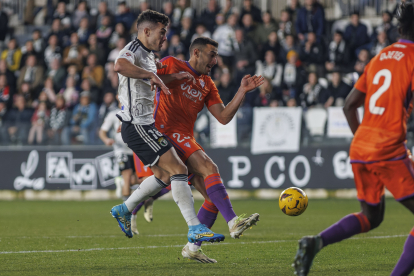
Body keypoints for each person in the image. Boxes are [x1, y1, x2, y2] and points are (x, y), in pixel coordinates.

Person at [293, 3, 414, 275]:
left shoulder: (379, 58)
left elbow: (349, 105)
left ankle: (317, 241)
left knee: (372, 217)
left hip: (361, 147)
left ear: (398, 29)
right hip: (388, 146)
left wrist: (364, 139)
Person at [109, 10, 225, 244]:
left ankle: (125, 208)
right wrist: (150, 75)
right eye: (162, 33)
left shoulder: (149, 55)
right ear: (147, 31)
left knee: (163, 175)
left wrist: (176, 77)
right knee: (179, 170)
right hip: (137, 125)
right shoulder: (132, 50)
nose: (165, 38)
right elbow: (119, 66)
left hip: (144, 125)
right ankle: (195, 228)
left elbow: (155, 78)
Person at [155, 37, 264, 262]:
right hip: (164, 132)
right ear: (196, 53)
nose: (215, 60)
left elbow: (223, 117)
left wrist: (242, 91)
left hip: (184, 137)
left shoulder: (207, 83)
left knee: (213, 199)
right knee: (209, 166)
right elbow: (148, 80)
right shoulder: (171, 63)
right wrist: (174, 78)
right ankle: (234, 222)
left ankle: (192, 249)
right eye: (212, 54)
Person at [99, 98, 139, 201]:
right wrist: (106, 139)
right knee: (127, 174)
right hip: (121, 149)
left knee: (136, 179)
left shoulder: (135, 113)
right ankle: (127, 208)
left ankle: (121, 183)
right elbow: (102, 131)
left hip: (134, 149)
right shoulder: (113, 114)